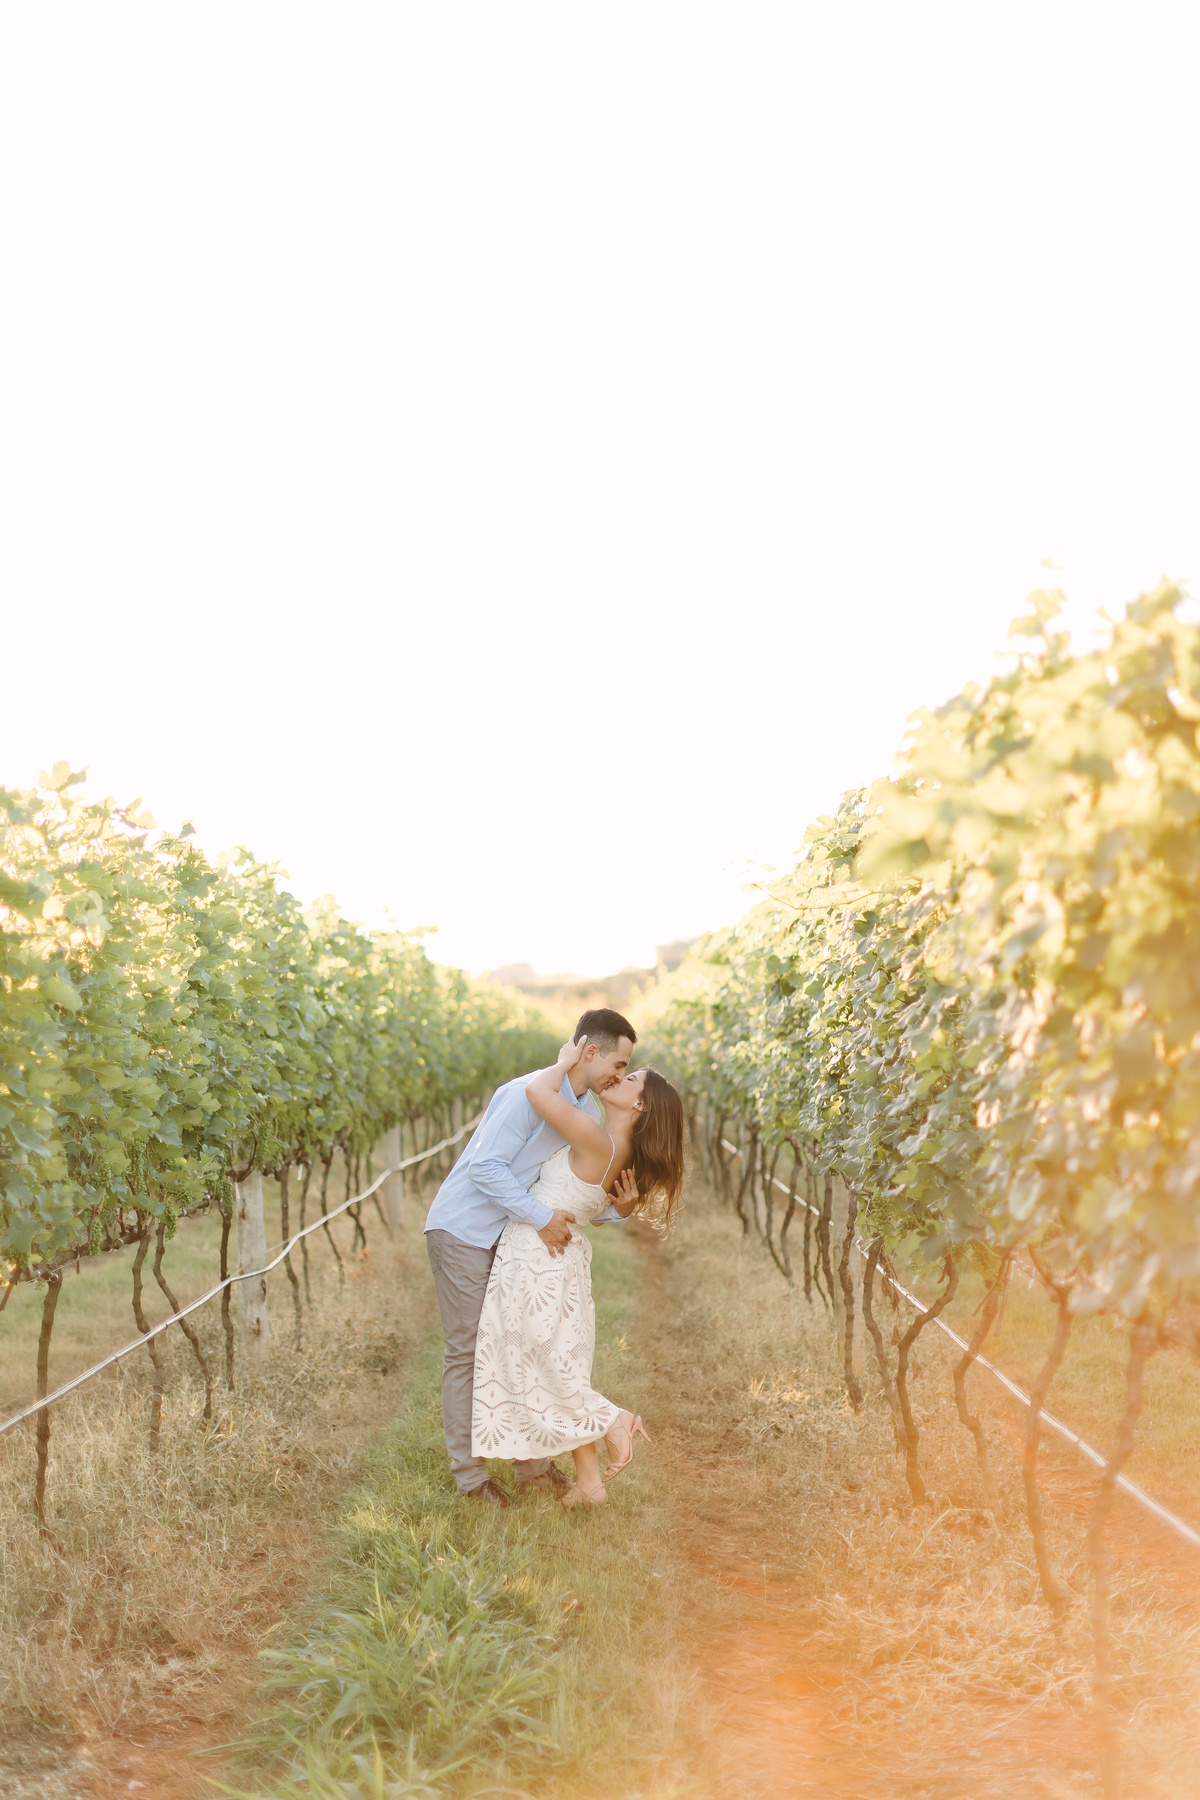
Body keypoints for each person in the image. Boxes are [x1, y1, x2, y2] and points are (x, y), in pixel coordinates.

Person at [424, 1007, 638, 1506]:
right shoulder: (528, 1093)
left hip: (508, 1233)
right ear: (590, 1051)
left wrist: (615, 1212)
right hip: (464, 1229)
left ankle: (533, 1469)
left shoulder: (582, 1113)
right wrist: (541, 1218)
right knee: (468, 1352)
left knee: (516, 1346)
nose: (620, 1075)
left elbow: (564, 1186)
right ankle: (471, 1479)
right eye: (620, 1064)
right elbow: (485, 1168)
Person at [471, 1032, 685, 1509]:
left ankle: (614, 1420)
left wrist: (564, 1060)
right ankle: (589, 1483)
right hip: (560, 1261)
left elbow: (537, 1094)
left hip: (537, 1256)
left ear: (642, 1105)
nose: (618, 1076)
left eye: (630, 1076)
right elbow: (598, 1203)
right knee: (559, 1364)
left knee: (539, 1364)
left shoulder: (598, 1138)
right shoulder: (618, 1147)